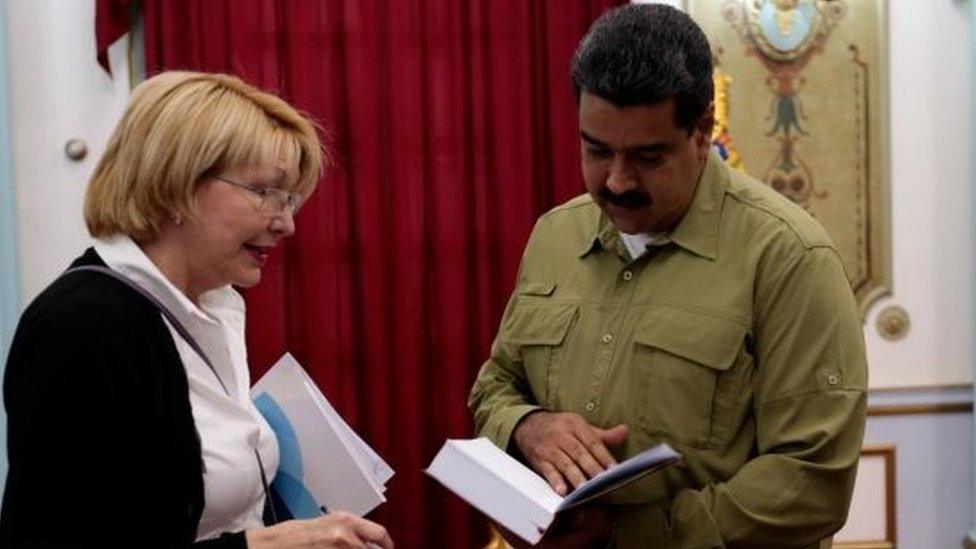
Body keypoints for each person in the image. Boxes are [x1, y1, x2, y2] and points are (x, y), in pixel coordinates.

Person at [468, 5, 867, 548]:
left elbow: (812, 481)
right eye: (596, 150)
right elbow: (495, 387)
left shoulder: (790, 258)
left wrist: (626, 535)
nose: (616, 181)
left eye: (648, 156)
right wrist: (528, 426)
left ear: (702, 132)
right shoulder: (554, 237)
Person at [1, 71, 394, 549]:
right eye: (265, 192)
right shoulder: (80, 327)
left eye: (289, 198)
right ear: (177, 185)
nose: (287, 223)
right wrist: (265, 545)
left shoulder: (214, 302)